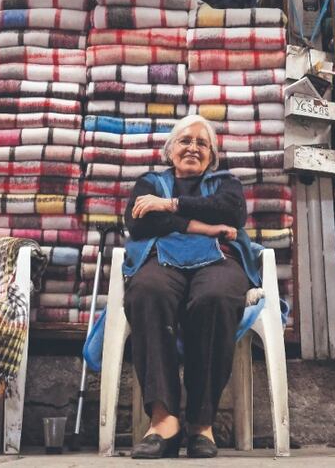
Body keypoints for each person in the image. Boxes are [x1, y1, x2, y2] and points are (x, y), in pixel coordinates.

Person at [122, 114, 263, 459]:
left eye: (202, 144)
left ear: (212, 158)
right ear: (170, 150)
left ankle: (202, 424)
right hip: (161, 261)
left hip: (219, 261)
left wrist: (170, 206)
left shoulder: (225, 183)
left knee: (214, 297)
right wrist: (204, 226)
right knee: (147, 292)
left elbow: (231, 212)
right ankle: (163, 421)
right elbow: (139, 224)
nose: (193, 148)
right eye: (185, 141)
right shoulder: (149, 183)